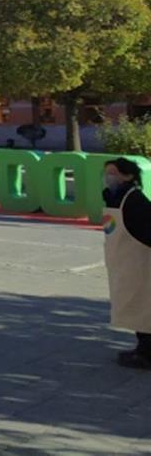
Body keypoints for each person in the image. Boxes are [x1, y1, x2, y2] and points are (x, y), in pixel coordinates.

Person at [101, 157, 151, 370]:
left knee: (145, 308)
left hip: (140, 262)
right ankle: (142, 348)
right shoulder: (114, 197)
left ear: (129, 176)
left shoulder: (135, 200)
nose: (108, 177)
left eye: (113, 172)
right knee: (134, 306)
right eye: (106, 172)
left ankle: (147, 354)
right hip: (124, 262)